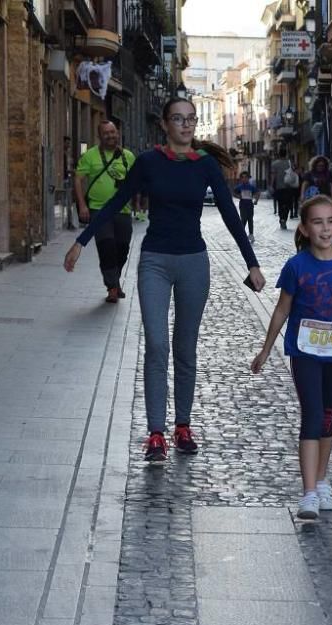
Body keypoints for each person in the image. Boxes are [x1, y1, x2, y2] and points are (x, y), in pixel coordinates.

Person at [64, 98, 266, 463]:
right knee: (157, 345)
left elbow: (230, 216)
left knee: (185, 346)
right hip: (155, 261)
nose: (186, 125)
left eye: (191, 119)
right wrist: (81, 241)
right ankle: (156, 432)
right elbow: (114, 203)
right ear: (165, 123)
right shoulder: (147, 162)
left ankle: (183, 426)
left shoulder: (204, 166)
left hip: (194, 262)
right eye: (179, 119)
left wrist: (252, 263)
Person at [250, 195, 332, 519]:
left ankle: (321, 481)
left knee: (327, 417)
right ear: (305, 229)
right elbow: (282, 309)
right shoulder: (297, 266)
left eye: (330, 221)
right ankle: (308, 493)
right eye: (318, 222)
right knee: (312, 413)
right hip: (304, 350)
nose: (325, 228)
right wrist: (266, 350)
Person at [73, 121, 137, 302]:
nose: (111, 136)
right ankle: (112, 288)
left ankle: (114, 281)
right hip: (98, 210)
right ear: (99, 136)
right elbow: (78, 179)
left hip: (123, 210)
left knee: (122, 249)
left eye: (113, 132)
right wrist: (83, 205)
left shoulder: (128, 156)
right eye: (106, 133)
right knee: (106, 246)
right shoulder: (90, 156)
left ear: (118, 133)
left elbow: (137, 180)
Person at [269, 148, 297, 230]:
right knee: (288, 204)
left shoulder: (274, 164)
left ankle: (281, 218)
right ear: (286, 154)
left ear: (279, 153)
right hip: (289, 187)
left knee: (280, 204)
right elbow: (294, 172)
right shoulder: (290, 163)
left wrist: (271, 185)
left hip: (279, 187)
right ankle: (284, 218)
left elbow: (273, 175)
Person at [233, 171, 259, 242]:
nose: (244, 179)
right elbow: (234, 193)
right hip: (243, 205)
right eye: (243, 178)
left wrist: (256, 200)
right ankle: (242, 235)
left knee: (250, 220)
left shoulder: (251, 187)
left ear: (248, 178)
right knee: (243, 220)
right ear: (241, 179)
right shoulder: (239, 187)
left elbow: (257, 192)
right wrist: (238, 196)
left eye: (246, 177)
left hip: (250, 205)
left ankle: (251, 234)